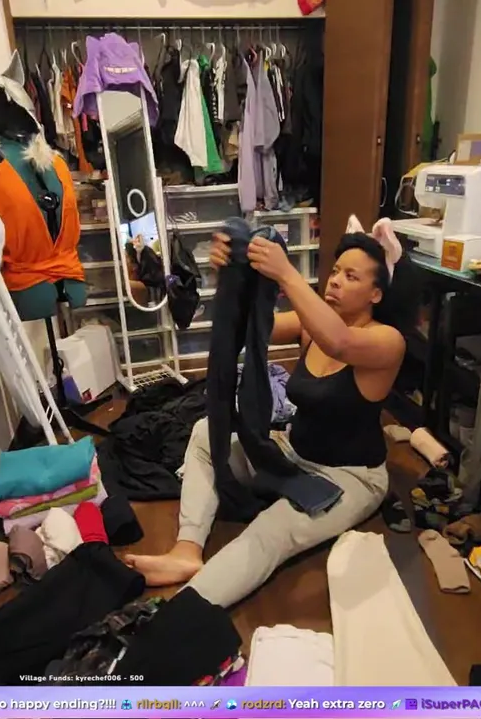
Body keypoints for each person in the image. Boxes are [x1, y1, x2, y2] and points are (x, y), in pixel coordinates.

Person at [125, 216, 408, 608]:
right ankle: (186, 551)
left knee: (272, 530)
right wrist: (232, 272)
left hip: (350, 476)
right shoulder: (312, 327)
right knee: (206, 434)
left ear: (376, 294)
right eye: (335, 271)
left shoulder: (388, 341)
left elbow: (340, 342)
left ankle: (179, 614)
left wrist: (286, 274)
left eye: (351, 277)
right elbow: (251, 326)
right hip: (293, 453)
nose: (335, 281)